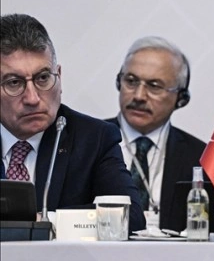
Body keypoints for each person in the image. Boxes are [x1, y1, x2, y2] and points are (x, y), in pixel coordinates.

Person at [0, 13, 145, 232]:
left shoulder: (95, 139)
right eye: (14, 83)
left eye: (43, 78)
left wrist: (47, 222)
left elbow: (128, 216)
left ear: (59, 76)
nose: (32, 98)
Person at [107, 36, 207, 230]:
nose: (139, 96)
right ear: (119, 83)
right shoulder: (86, 143)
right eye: (131, 81)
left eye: (154, 86)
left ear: (181, 98)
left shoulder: (201, 158)